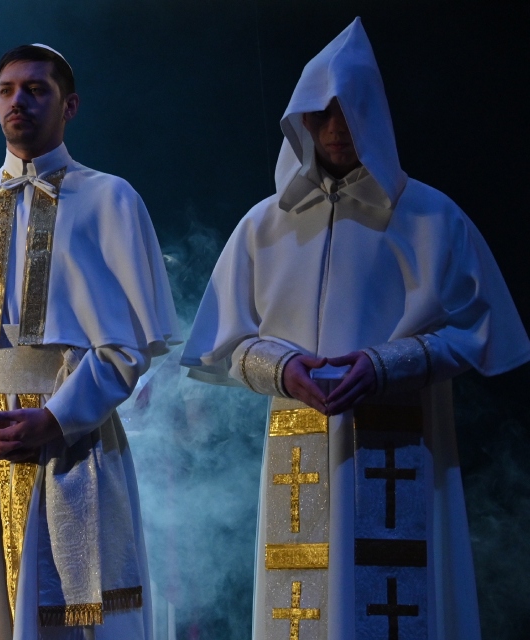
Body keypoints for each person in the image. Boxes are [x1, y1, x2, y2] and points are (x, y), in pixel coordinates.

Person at [182, 18, 530, 640]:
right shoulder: (264, 225)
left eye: (350, 111)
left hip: (402, 441)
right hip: (299, 445)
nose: (337, 127)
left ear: (376, 115)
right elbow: (222, 344)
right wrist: (282, 369)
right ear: (303, 122)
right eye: (323, 113)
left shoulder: (430, 216)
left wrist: (384, 365)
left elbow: (479, 333)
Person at [0, 44, 178, 639]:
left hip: (73, 442)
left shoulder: (111, 200)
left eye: (35, 89)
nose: (18, 101)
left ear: (69, 105)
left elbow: (125, 348)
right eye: (6, 90)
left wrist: (56, 418)